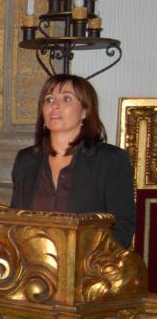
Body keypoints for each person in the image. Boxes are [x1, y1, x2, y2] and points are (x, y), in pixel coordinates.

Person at [11, 74, 135, 248]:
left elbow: (122, 227)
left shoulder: (111, 160)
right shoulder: (25, 160)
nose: (55, 105)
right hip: (33, 269)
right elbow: (15, 224)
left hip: (88, 270)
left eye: (66, 99)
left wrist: (86, 265)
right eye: (49, 99)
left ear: (85, 112)